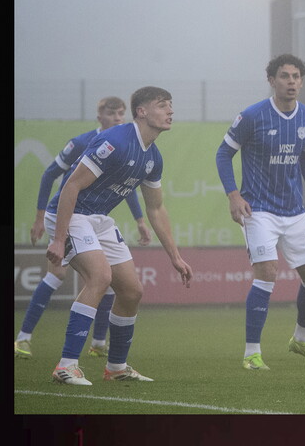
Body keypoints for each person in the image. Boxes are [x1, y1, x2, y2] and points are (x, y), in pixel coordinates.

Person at [45, 86, 193, 385]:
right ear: (142, 111)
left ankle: (116, 367)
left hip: (98, 220)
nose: (170, 111)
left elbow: (156, 209)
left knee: (132, 291)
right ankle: (66, 366)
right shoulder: (115, 141)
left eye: (170, 106)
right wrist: (59, 239)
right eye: (163, 105)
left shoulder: (154, 158)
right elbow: (70, 187)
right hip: (71, 214)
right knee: (100, 277)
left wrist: (175, 257)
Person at [216, 53, 305, 371]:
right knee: (267, 272)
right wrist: (234, 196)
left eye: (296, 76)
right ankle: (251, 354)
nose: (291, 81)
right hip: (258, 209)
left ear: (302, 81)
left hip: (293, 210)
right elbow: (223, 154)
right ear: (271, 80)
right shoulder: (252, 116)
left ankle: (301, 339)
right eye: (284, 76)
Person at [15, 97, 151, 360]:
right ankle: (23, 338)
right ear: (100, 115)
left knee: (110, 280)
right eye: (112, 113)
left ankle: (98, 343)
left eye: (122, 113)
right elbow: (49, 175)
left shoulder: (126, 144)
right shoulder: (81, 142)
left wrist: (140, 220)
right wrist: (39, 217)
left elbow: (128, 187)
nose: (118, 118)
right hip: (68, 215)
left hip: (94, 219)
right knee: (57, 276)